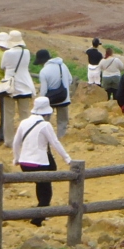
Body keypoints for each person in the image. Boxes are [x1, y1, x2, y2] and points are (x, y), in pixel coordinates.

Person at [12, 96, 71, 226]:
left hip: (25, 164)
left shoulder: (23, 122)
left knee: (40, 185)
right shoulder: (45, 125)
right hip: (39, 163)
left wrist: (16, 158)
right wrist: (67, 159)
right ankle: (37, 218)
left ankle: (41, 213)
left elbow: (16, 143)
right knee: (46, 191)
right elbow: (55, 143)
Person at [0, 30, 35, 147]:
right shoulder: (27, 52)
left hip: (10, 87)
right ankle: (26, 139)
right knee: (24, 115)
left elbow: (2, 66)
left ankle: (9, 141)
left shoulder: (8, 53)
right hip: (25, 85)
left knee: (8, 115)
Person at [35, 49, 75, 139]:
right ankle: (61, 138)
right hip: (64, 97)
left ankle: (45, 137)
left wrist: (41, 102)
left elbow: (44, 90)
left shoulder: (44, 71)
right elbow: (70, 80)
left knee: (45, 120)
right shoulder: (63, 65)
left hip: (50, 99)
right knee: (62, 121)